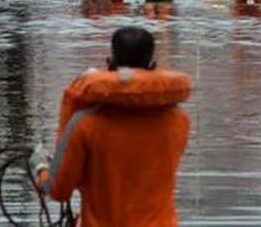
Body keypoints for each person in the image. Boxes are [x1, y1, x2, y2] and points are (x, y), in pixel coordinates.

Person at [34, 27, 191, 225]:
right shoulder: (178, 121)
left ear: (110, 64)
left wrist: (40, 167)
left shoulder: (85, 123)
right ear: (153, 65)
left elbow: (58, 188)